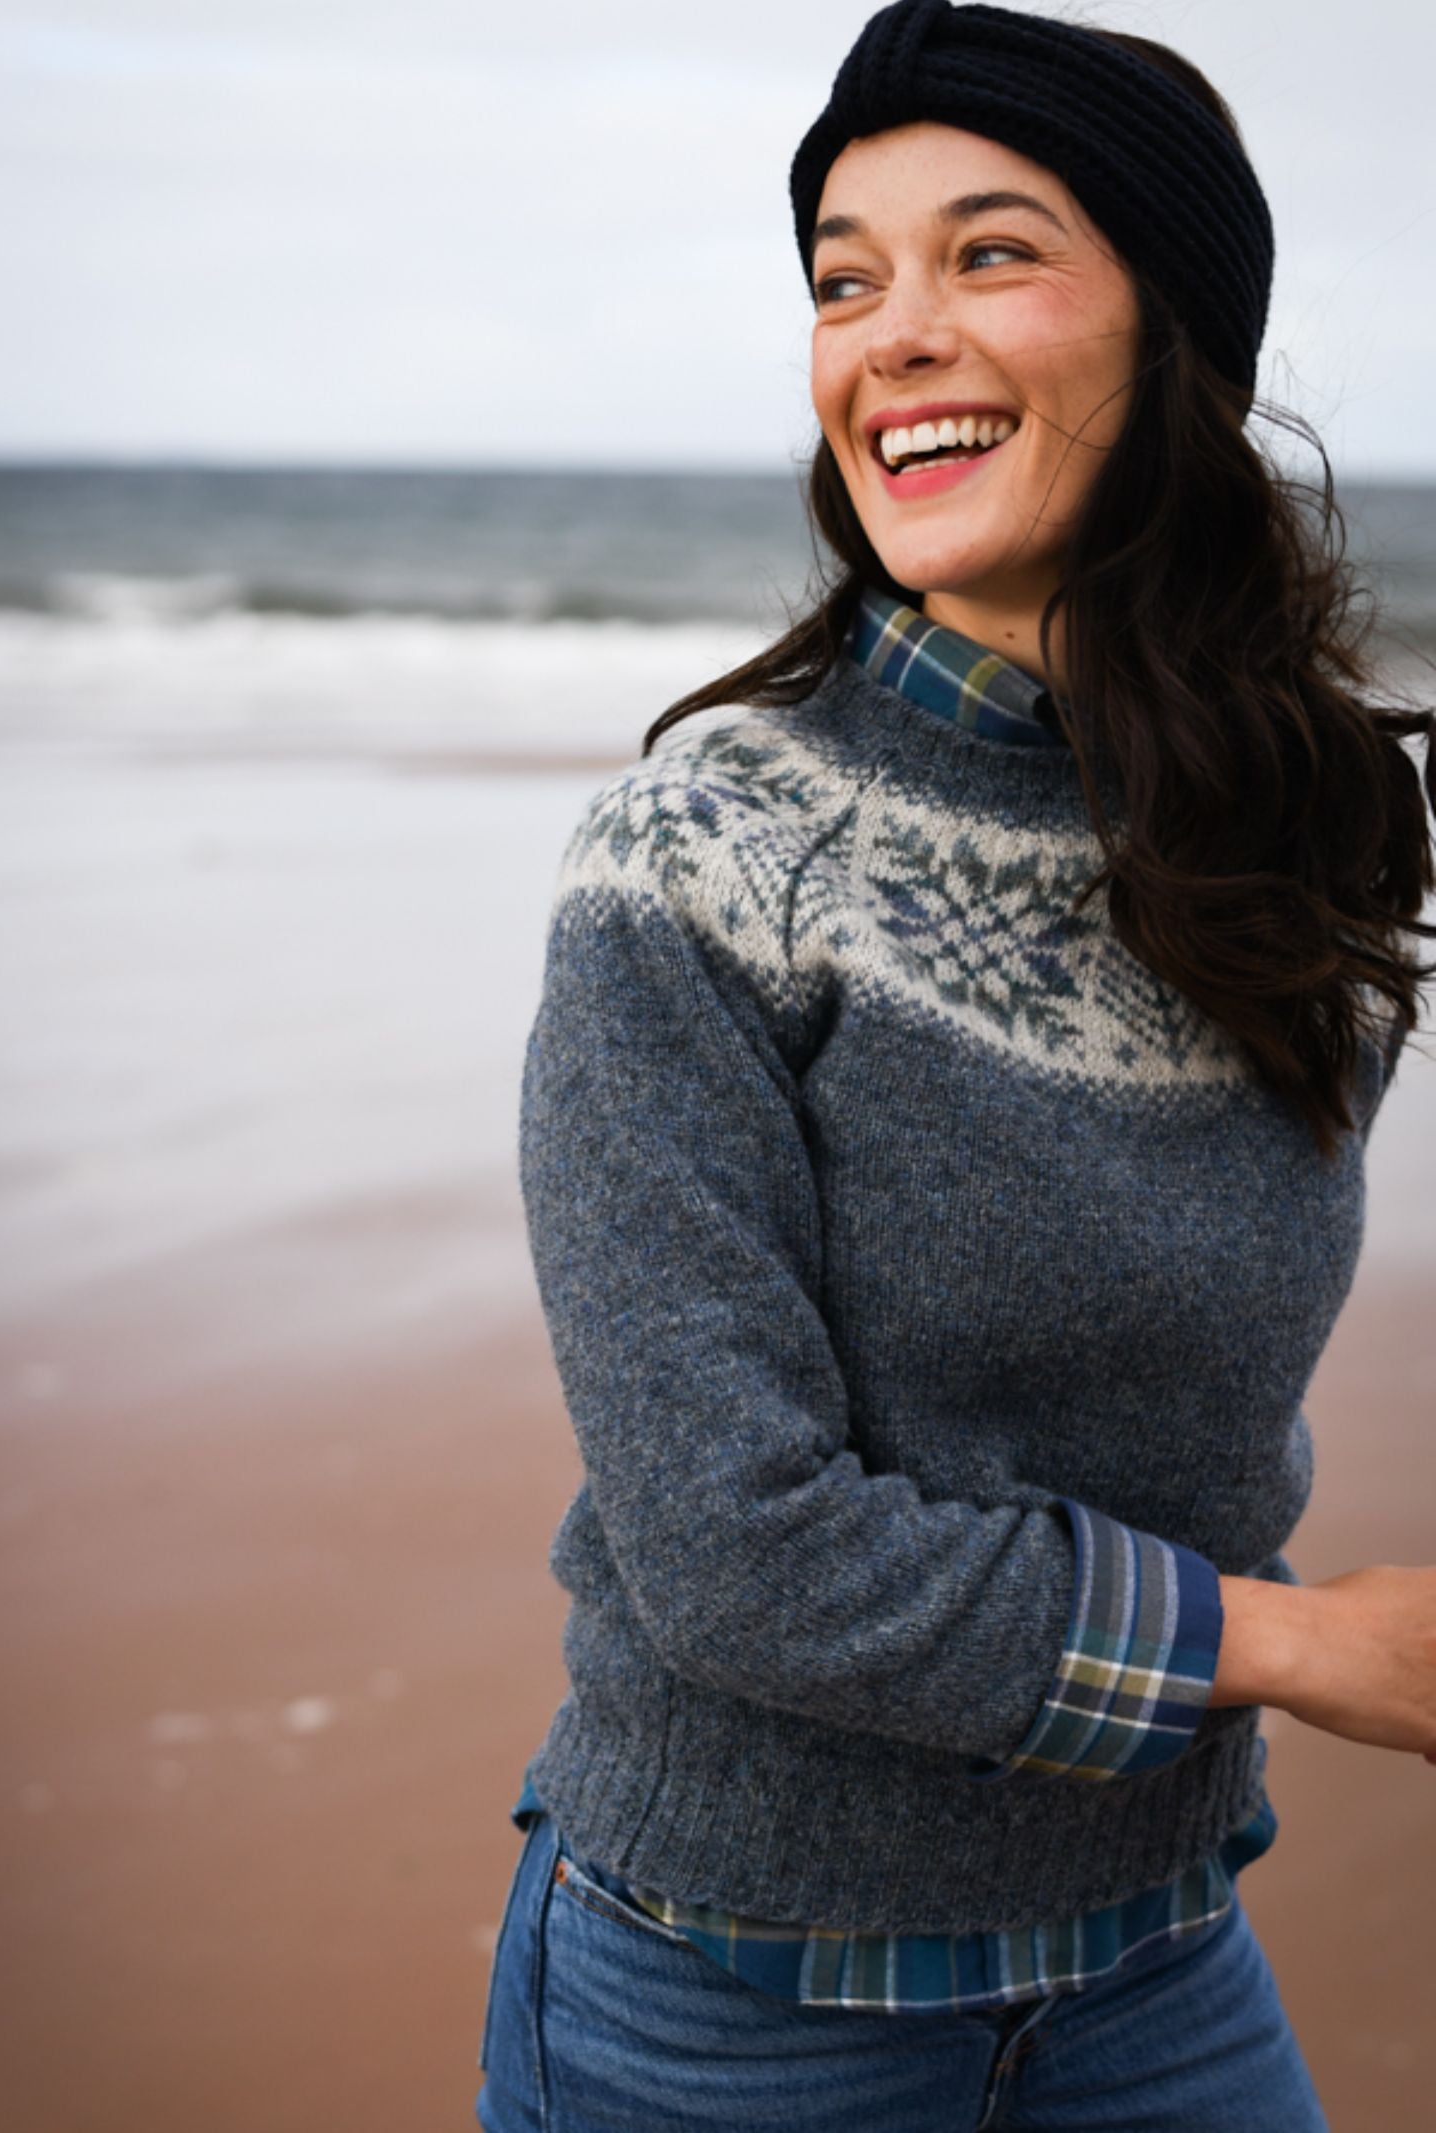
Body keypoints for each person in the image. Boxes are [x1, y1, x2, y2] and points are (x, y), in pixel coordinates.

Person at [475, 5, 1436, 2128]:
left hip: (1157, 1955)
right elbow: (741, 1548)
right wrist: (1294, 1643)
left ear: (1169, 331)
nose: (887, 333)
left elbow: (1188, 1418)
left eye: (985, 253)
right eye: (841, 276)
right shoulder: (704, 852)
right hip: (726, 2007)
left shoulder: (1313, 844)